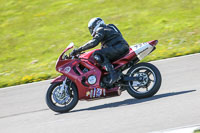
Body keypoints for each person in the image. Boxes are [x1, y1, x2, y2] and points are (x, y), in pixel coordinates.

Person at [70, 17, 129, 84]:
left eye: (91, 29)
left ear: (95, 25)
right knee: (101, 53)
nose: (92, 31)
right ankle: (112, 75)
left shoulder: (101, 29)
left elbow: (93, 42)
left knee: (97, 54)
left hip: (118, 48)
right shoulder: (111, 27)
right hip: (123, 46)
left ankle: (113, 74)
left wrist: (78, 50)